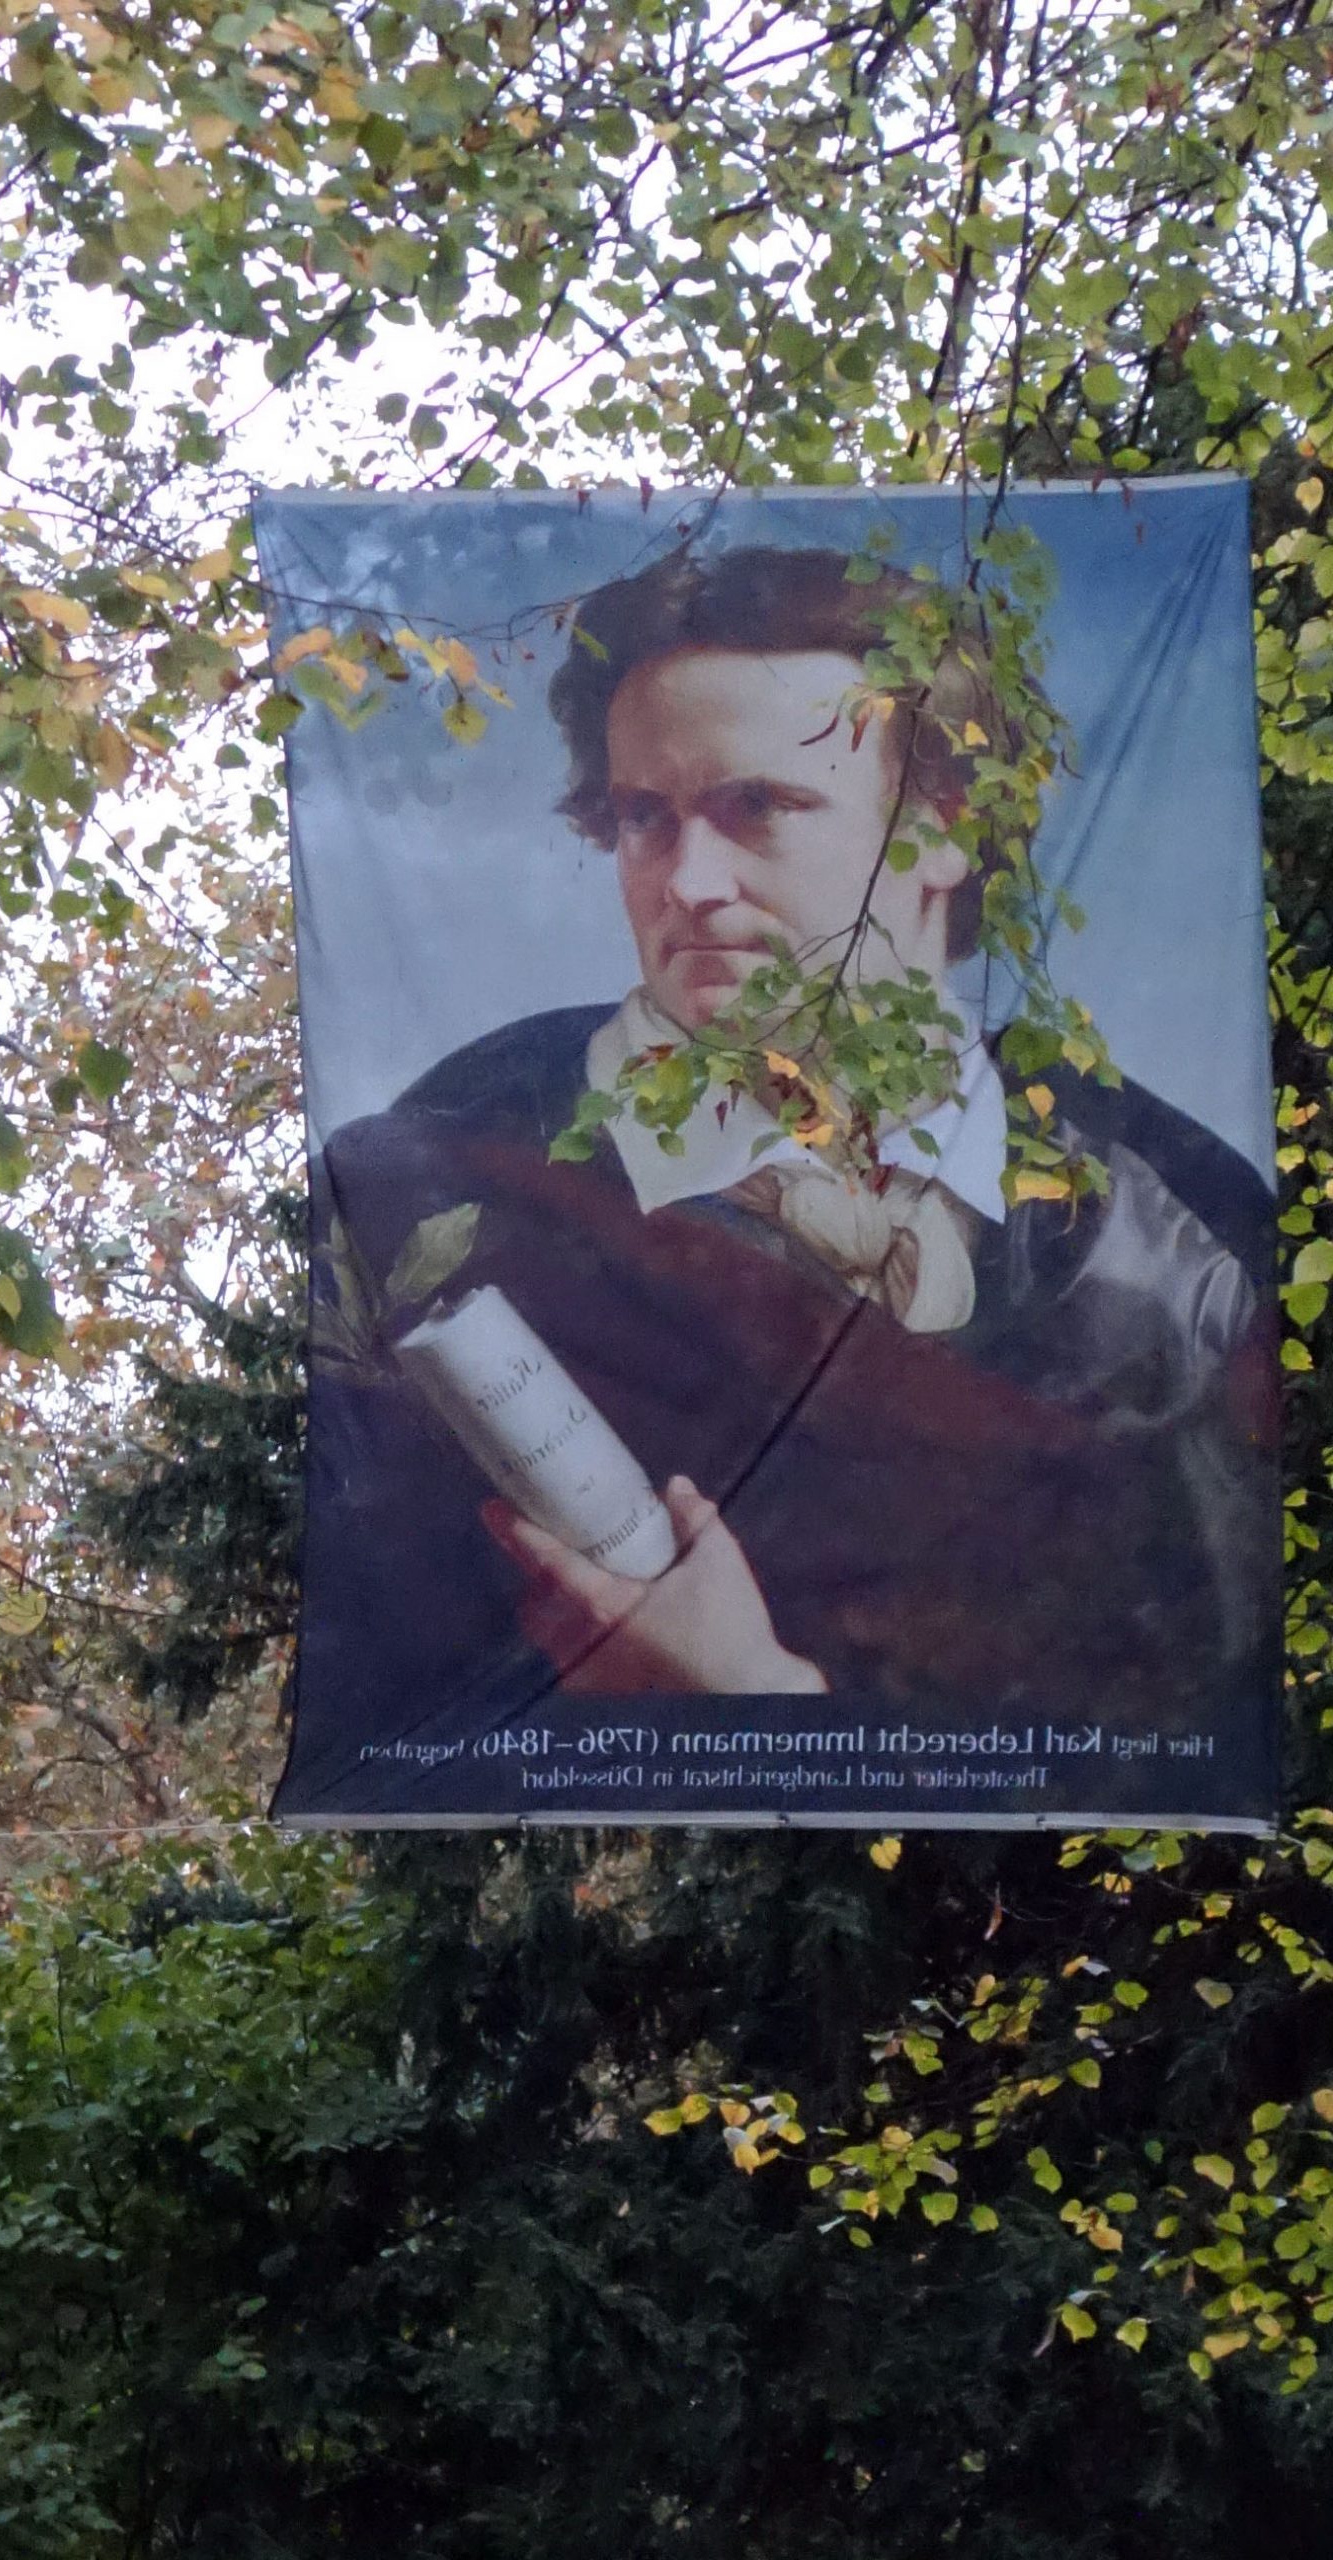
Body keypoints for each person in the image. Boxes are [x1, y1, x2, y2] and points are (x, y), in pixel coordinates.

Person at [288, 543, 1276, 1790]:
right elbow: (395, 1693)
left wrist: (761, 1705)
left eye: (759, 807)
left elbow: (1197, 1736)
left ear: (942, 831)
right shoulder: (429, 1193)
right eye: (645, 818)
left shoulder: (1172, 1248)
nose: (687, 883)